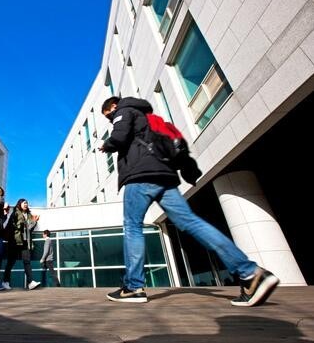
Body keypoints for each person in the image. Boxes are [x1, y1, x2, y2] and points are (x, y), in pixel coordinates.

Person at [99, 96, 279, 305]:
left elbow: (119, 138)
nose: (110, 120)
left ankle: (133, 287)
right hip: (165, 176)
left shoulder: (124, 110)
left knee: (132, 227)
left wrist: (107, 145)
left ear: (113, 106)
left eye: (108, 116)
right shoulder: (149, 117)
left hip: (141, 176)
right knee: (191, 221)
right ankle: (250, 273)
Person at [2, 199, 41, 290]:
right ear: (20, 204)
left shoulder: (29, 215)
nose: (26, 204)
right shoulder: (15, 213)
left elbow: (29, 229)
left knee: (27, 261)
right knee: (11, 262)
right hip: (15, 241)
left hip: (24, 241)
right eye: (24, 203)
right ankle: (5, 282)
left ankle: (30, 282)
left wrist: (34, 221)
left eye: (27, 203)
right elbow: (12, 226)